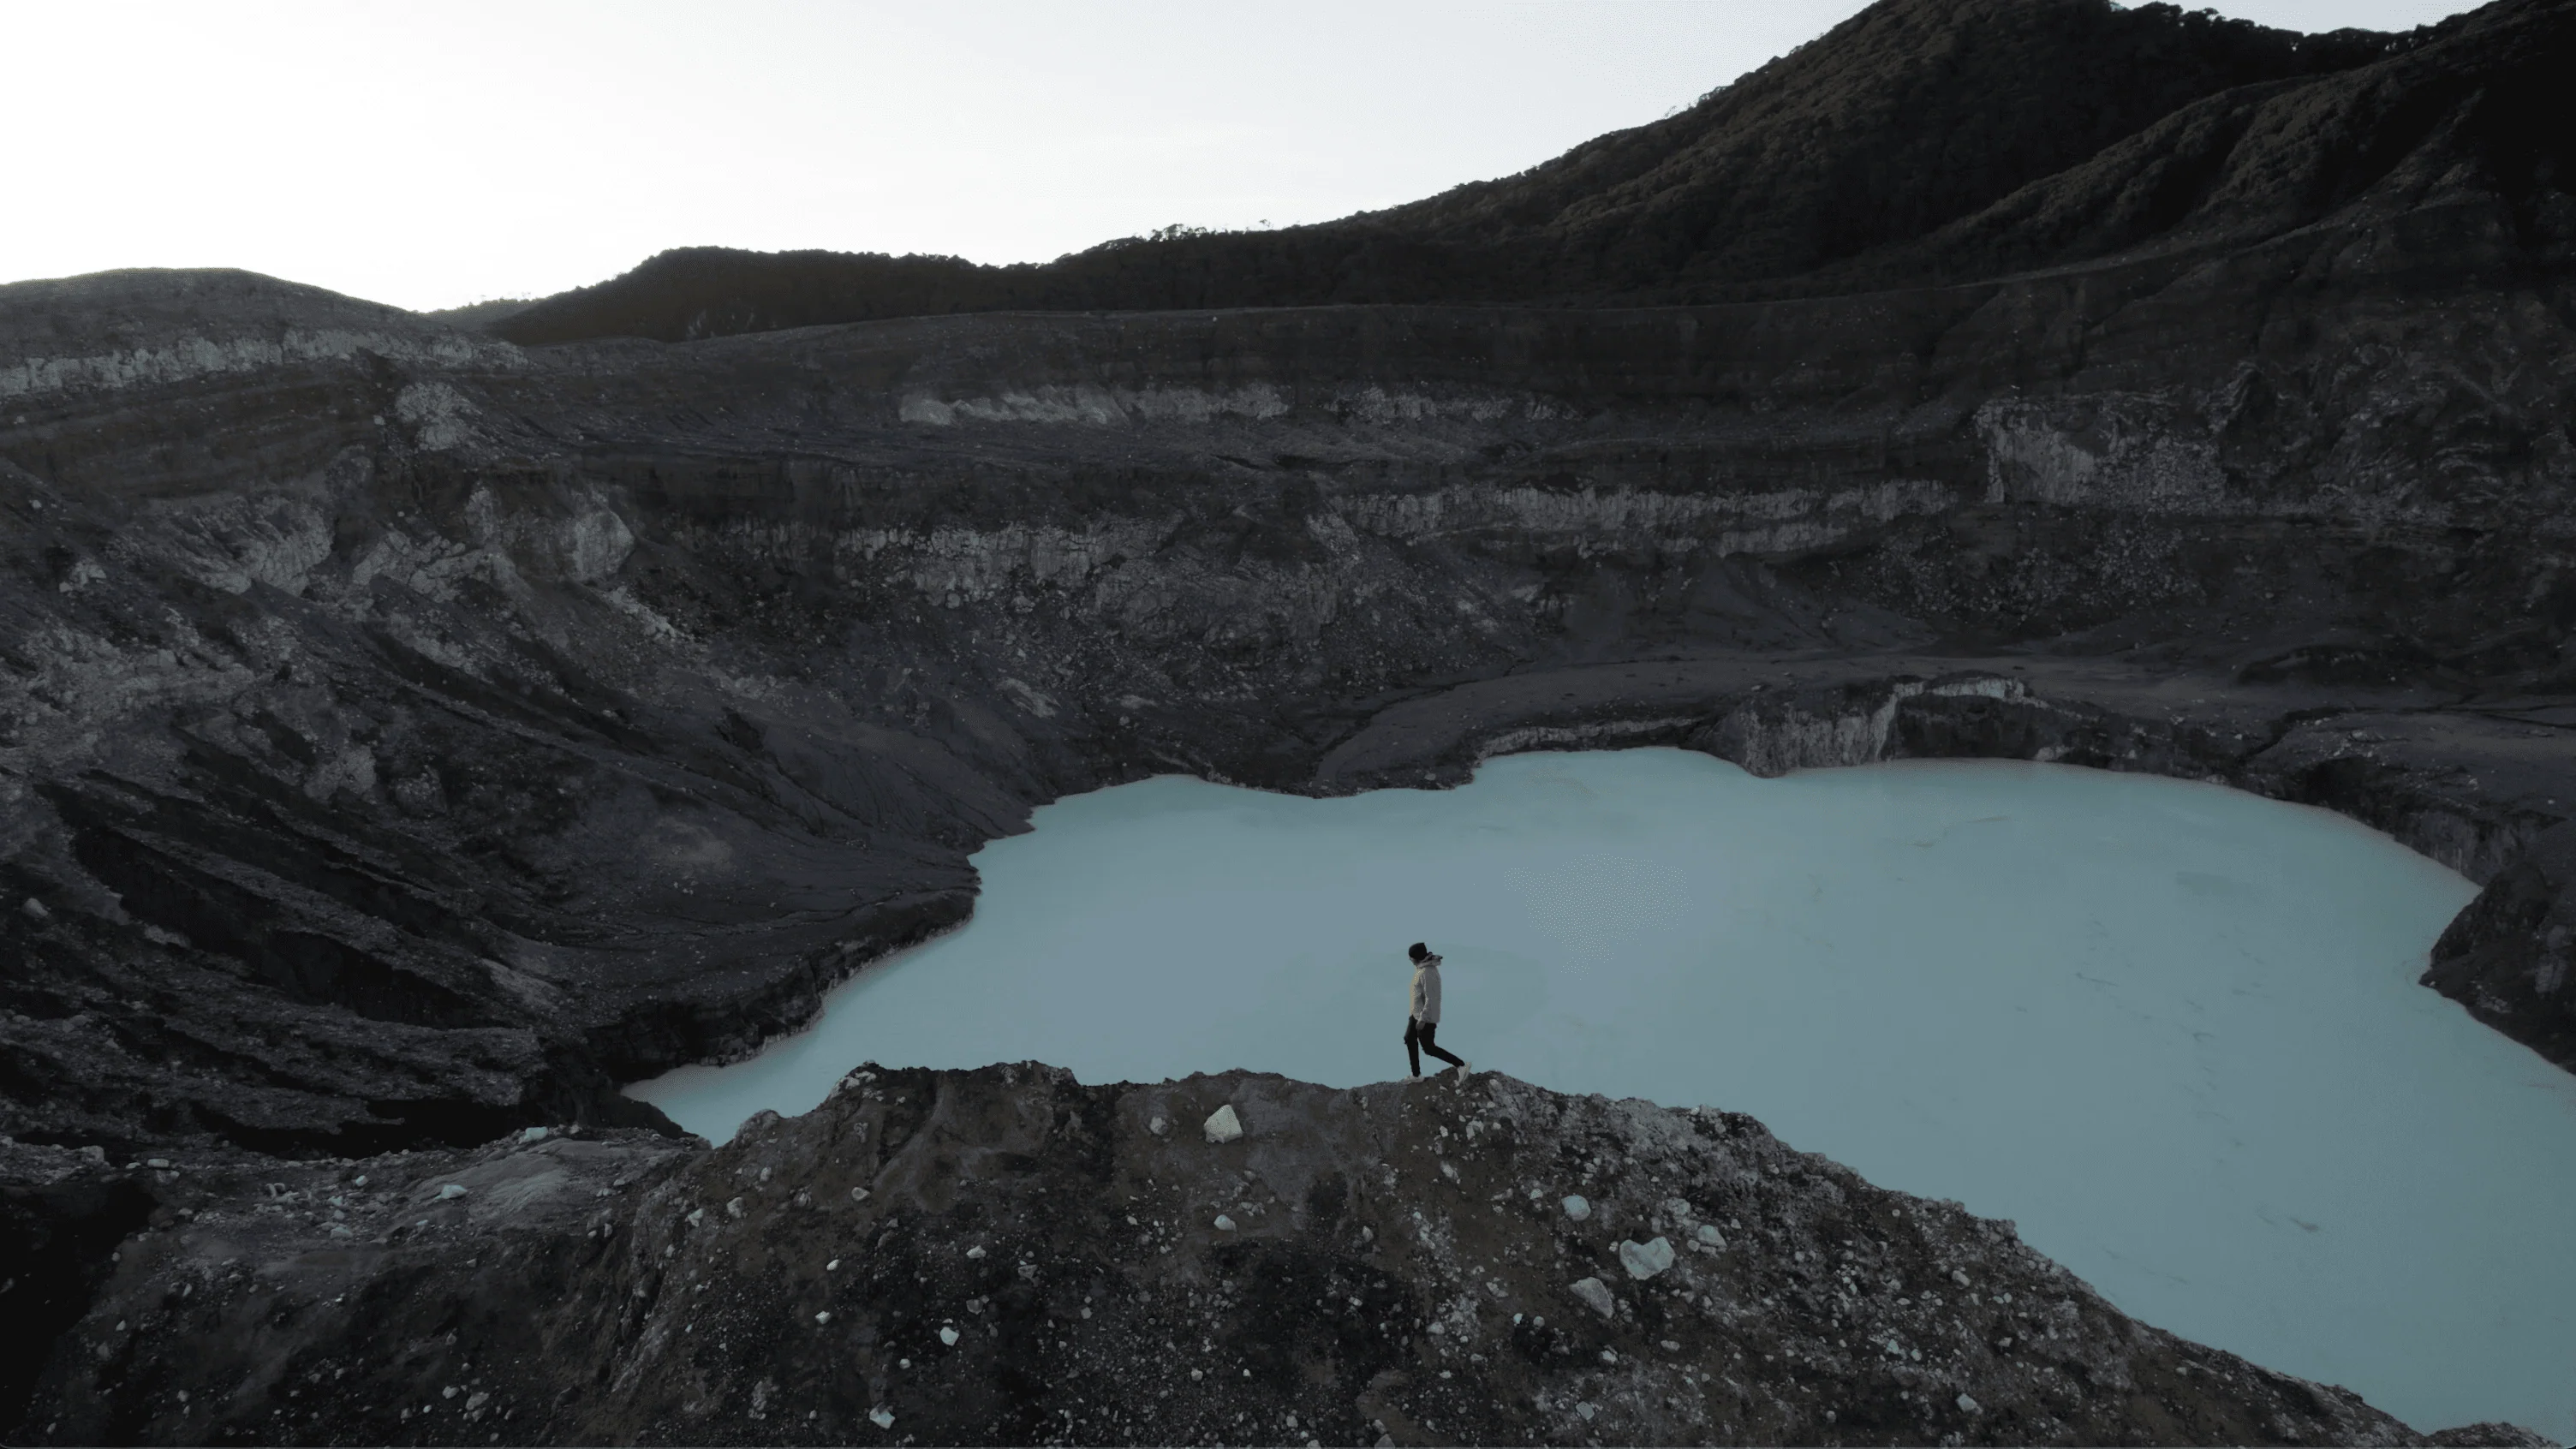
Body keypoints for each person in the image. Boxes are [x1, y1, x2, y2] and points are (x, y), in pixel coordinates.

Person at [1403, 941, 1470, 1080]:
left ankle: (1461, 1065)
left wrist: (1423, 1019)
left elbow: (1432, 999)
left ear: (1416, 958)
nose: (1409, 959)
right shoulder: (1422, 969)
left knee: (1429, 1048)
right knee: (1409, 1039)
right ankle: (1416, 1075)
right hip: (1416, 1014)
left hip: (1425, 1017)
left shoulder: (1427, 973)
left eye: (1411, 957)